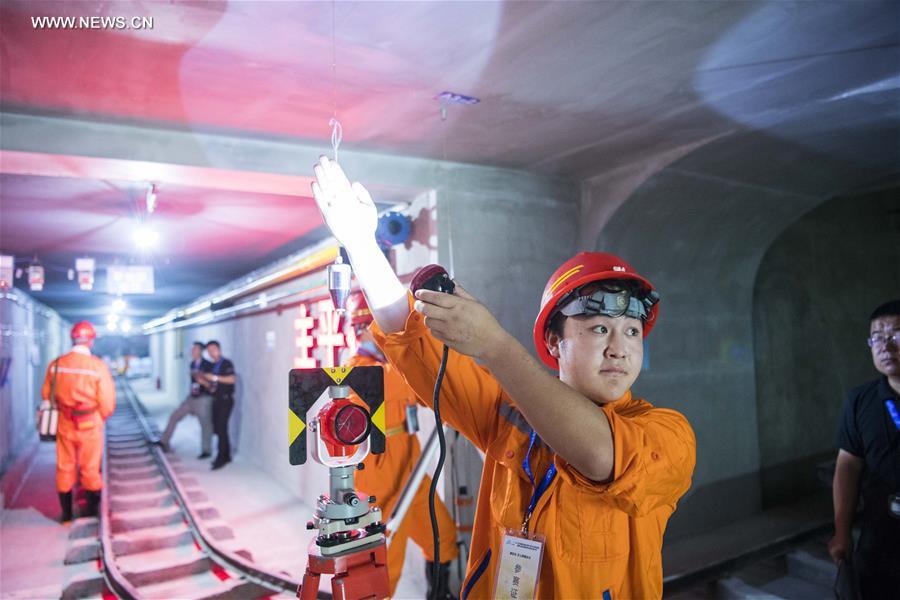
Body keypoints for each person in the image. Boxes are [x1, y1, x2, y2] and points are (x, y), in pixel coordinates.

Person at [311, 156, 696, 598]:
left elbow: (600, 455)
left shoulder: (667, 434)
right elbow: (415, 346)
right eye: (598, 328)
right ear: (554, 342)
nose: (619, 347)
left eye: (632, 331)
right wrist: (362, 246)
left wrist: (496, 347)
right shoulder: (506, 416)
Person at [345, 293, 459, 599]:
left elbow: (425, 395)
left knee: (442, 535)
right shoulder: (360, 369)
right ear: (366, 329)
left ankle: (439, 593)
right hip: (378, 468)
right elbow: (412, 388)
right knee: (385, 550)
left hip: (409, 459)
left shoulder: (388, 365)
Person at [829, 299, 900, 598]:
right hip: (880, 539)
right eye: (877, 337)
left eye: (896, 335)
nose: (885, 345)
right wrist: (842, 530)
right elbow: (848, 465)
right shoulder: (861, 401)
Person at [40, 321, 116, 522]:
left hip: (65, 422)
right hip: (90, 423)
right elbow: (107, 402)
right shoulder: (97, 366)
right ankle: (91, 513)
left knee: (65, 466)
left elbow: (46, 393)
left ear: (72, 338)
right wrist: (100, 415)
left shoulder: (57, 365)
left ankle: (66, 514)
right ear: (90, 341)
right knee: (90, 467)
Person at [155, 341, 214, 458]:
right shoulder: (192, 364)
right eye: (192, 349)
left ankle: (206, 450)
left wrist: (202, 380)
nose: (192, 352)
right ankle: (164, 441)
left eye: (195, 349)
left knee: (205, 425)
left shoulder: (208, 365)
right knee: (175, 415)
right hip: (192, 397)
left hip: (203, 398)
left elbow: (211, 384)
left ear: (200, 351)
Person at [202, 340, 237, 470]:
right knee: (218, 428)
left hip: (225, 400)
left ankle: (221, 458)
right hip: (216, 400)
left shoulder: (226, 363)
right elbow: (213, 385)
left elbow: (232, 379)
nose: (211, 352)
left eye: (213, 349)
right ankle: (226, 455)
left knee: (222, 428)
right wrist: (206, 383)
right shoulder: (212, 365)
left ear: (219, 349)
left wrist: (214, 378)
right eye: (209, 351)